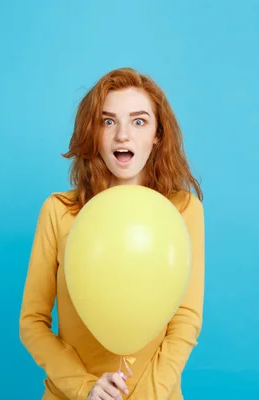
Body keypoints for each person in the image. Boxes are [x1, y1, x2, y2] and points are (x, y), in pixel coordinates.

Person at [19, 67, 205, 400]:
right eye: (108, 121)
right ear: (94, 133)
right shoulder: (59, 212)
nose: (122, 135)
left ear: (157, 135)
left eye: (138, 121)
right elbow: (32, 322)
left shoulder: (183, 210)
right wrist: (84, 387)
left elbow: (186, 319)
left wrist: (148, 396)